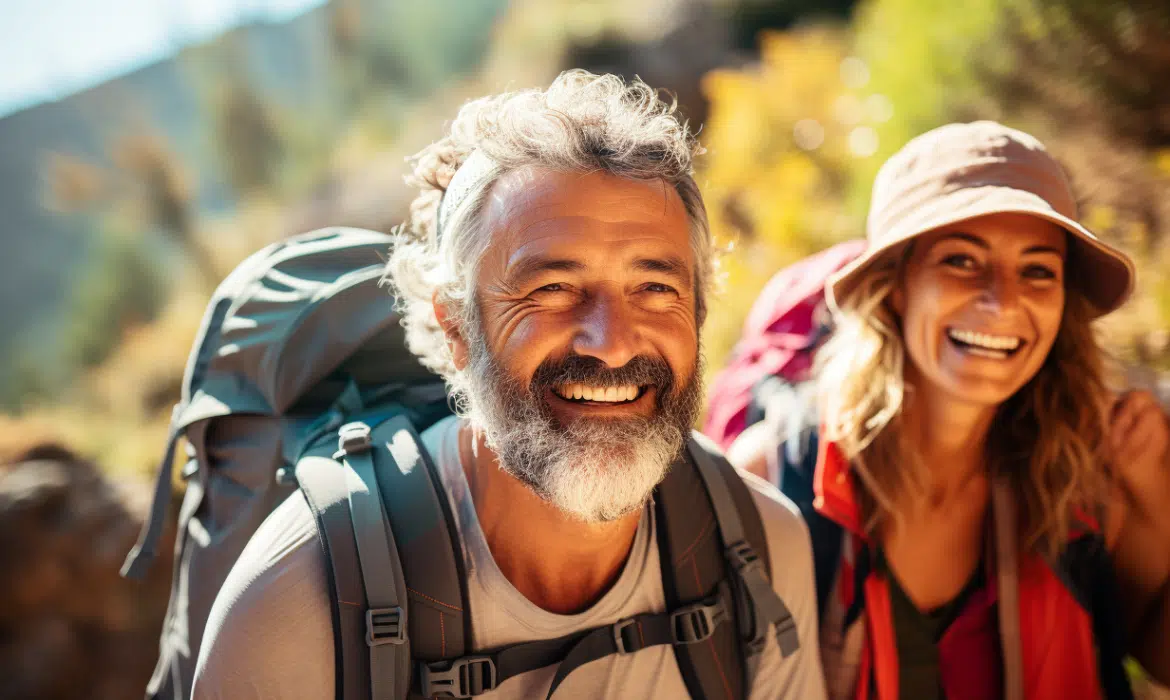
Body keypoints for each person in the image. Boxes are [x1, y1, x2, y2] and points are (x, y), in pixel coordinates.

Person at [190, 70, 827, 699]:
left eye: (655, 289)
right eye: (552, 289)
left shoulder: (759, 546)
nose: (610, 342)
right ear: (455, 327)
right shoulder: (297, 606)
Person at [728, 121, 1170, 699]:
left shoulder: (1085, 482)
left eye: (1038, 270)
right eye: (961, 261)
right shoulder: (773, 479)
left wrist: (1153, 495)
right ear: (896, 286)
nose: (1002, 300)